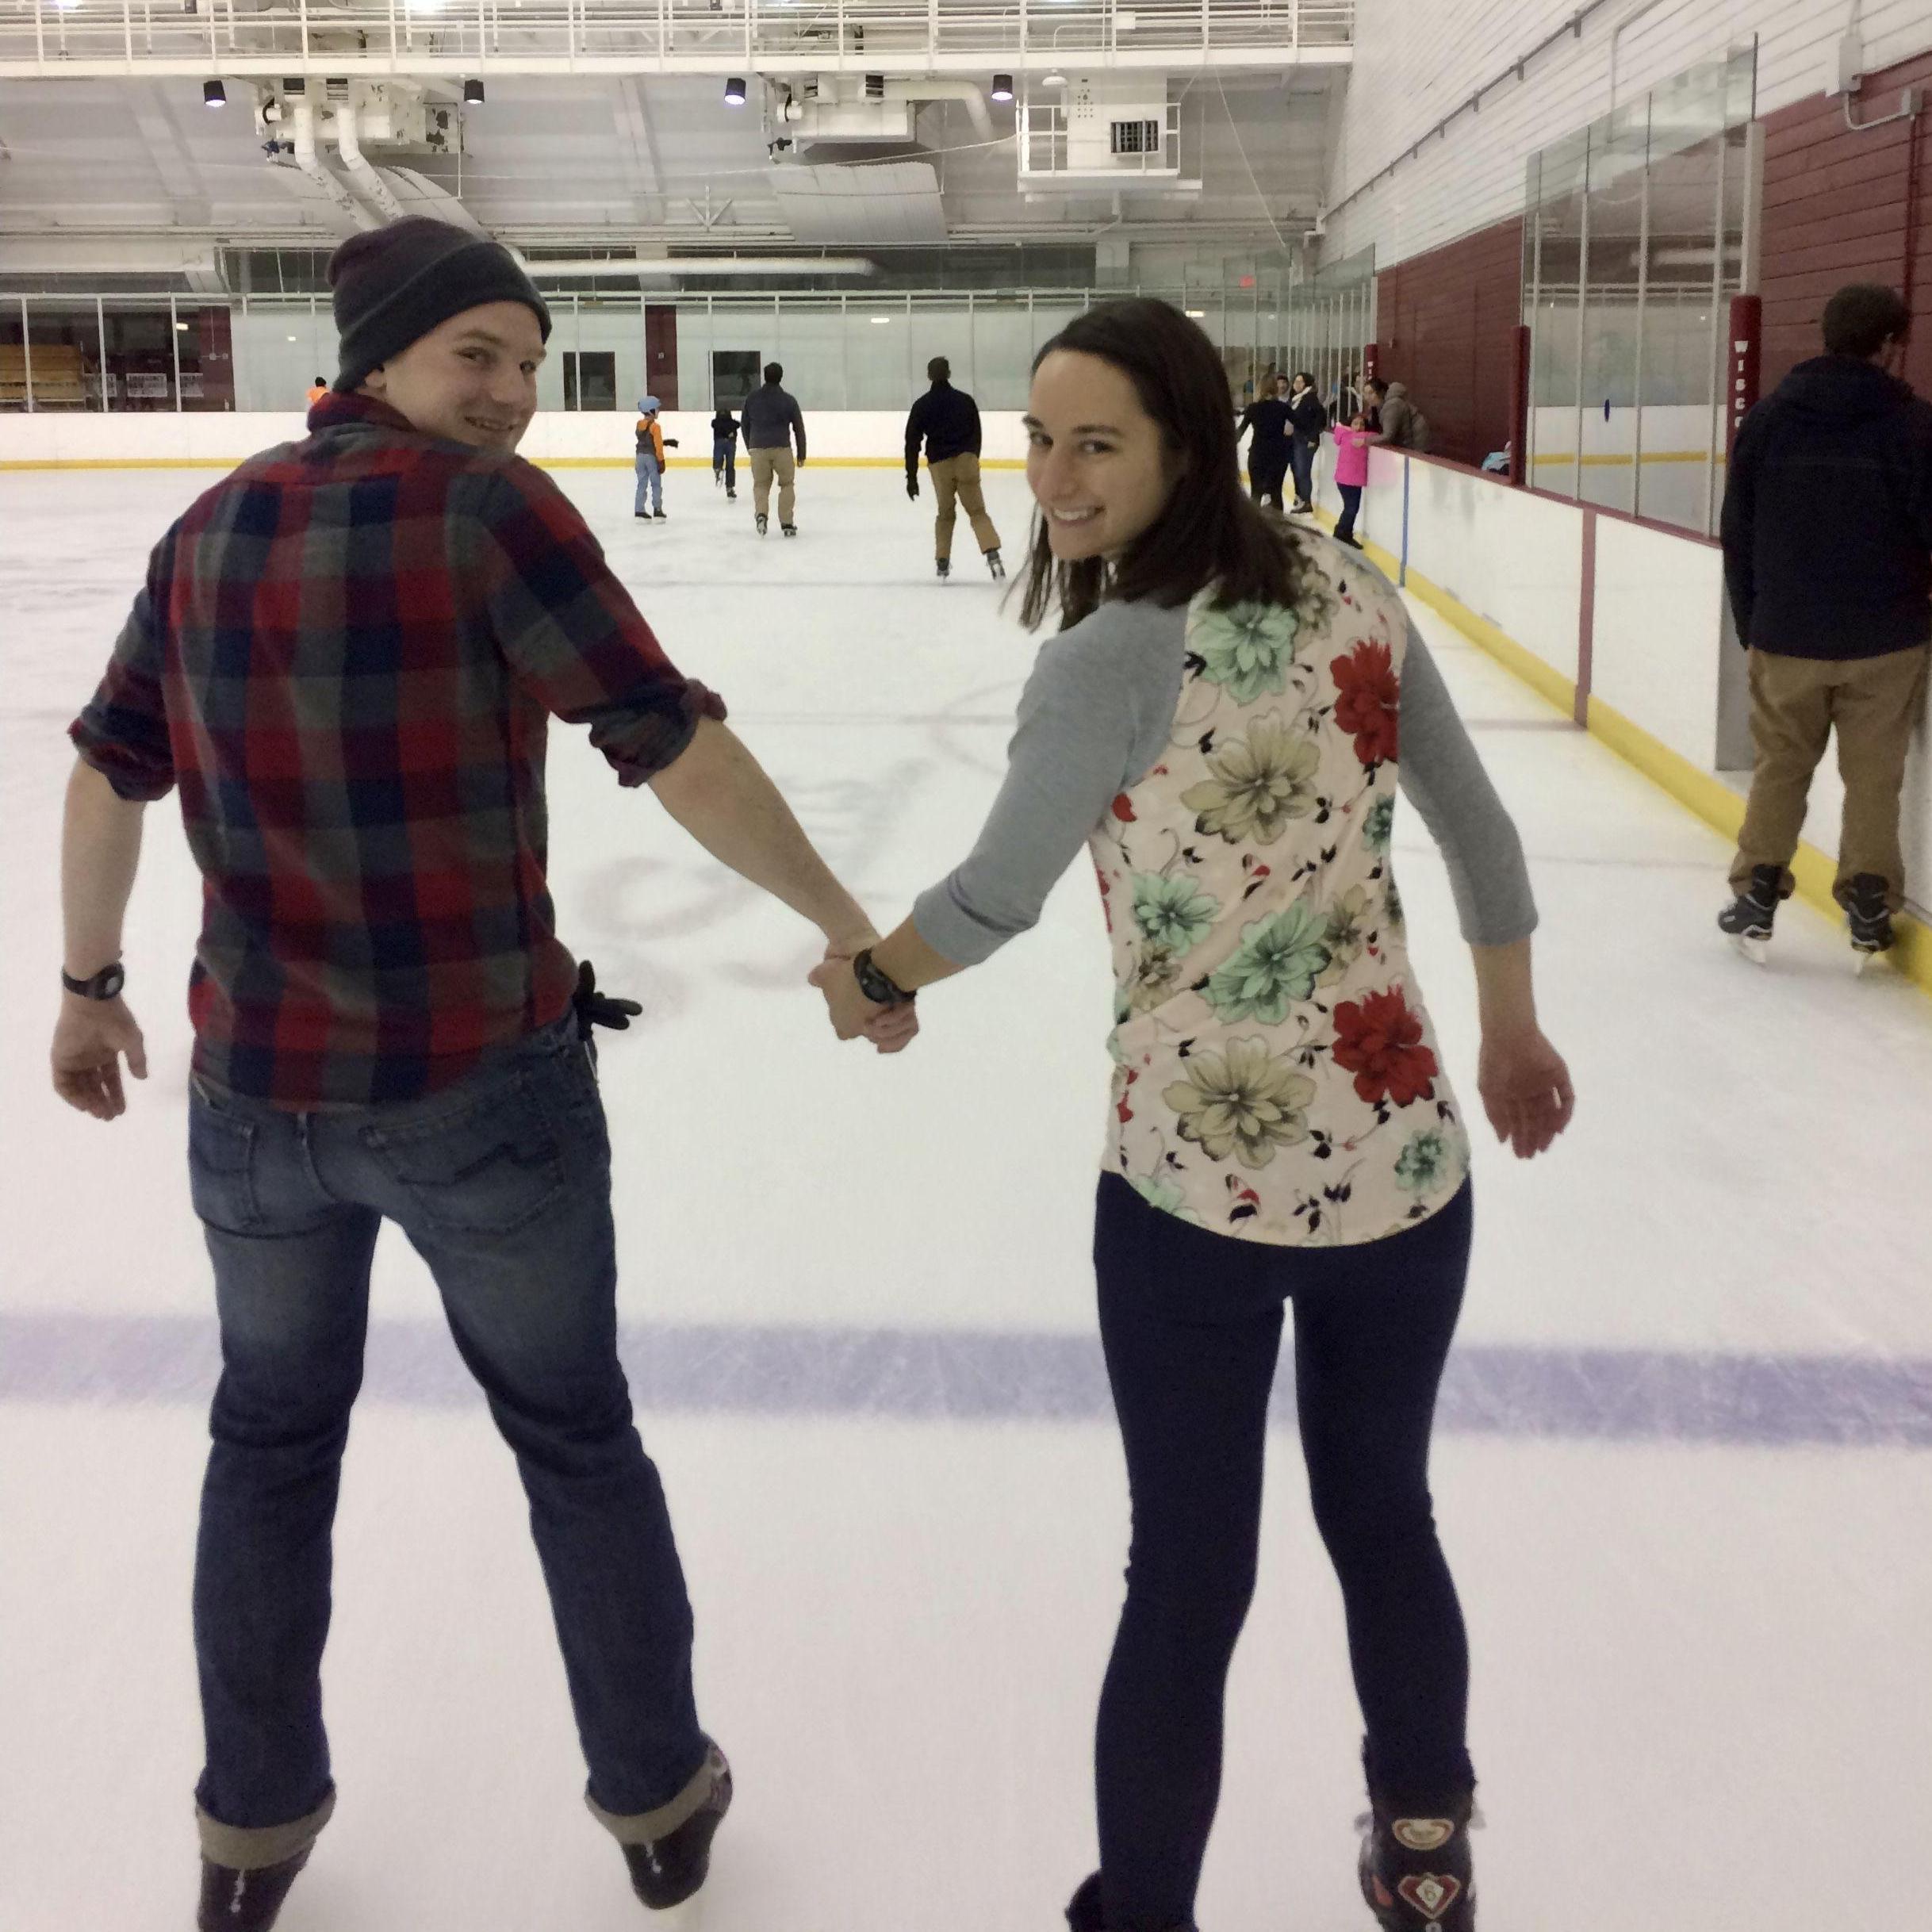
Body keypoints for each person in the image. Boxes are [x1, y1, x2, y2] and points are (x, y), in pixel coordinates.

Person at [52, 215, 913, 1932]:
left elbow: (108, 769)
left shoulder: (208, 527)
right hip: (476, 1094)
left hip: (255, 1110)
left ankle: (251, 1828)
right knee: (576, 1437)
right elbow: (666, 740)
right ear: (381, 356)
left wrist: (88, 987)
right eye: (478, 356)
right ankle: (657, 1795)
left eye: (528, 361)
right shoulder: (484, 512)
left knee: (268, 1447)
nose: (514, 392)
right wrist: (849, 926)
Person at [809, 297, 1574, 1932]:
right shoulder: (1349, 581)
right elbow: (1487, 846)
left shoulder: (1110, 657)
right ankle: (1425, 1847)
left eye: (1097, 445)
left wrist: (874, 976)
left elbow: (994, 898)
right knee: (1386, 1521)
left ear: (1182, 446)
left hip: (1190, 1198)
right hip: (1402, 1168)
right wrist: (1506, 1039)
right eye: (1041, 440)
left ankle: (1146, 1911)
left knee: (1190, 1577)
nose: (1057, 479)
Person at [1718, 281, 1932, 964]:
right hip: (1886, 639)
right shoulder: (1915, 426)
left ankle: (1756, 892)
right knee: (1876, 776)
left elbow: (1738, 533)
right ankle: (1870, 900)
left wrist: (1754, 622)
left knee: (1782, 767)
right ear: (1893, 346)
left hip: (1788, 634)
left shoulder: (1769, 422)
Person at [905, 355, 1006, 582]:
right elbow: (976, 433)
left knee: (945, 514)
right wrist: (973, 457)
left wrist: (911, 477)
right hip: (966, 460)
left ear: (929, 376)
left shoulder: (922, 406)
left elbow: (912, 442)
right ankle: (993, 555)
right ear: (949, 374)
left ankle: (942, 561)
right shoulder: (965, 401)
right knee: (977, 511)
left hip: (940, 465)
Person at [741, 359, 807, 536]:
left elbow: (744, 424)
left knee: (761, 485)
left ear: (765, 376)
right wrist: (802, 454)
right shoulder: (789, 400)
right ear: (781, 377)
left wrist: (751, 446)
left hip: (758, 448)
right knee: (786, 484)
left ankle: (761, 515)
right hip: (782, 448)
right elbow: (798, 428)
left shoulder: (752, 399)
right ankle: (786, 523)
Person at [1235, 371, 1293, 512]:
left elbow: (1240, 432)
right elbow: (1302, 424)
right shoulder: (1283, 408)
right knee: (1276, 492)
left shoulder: (1253, 408)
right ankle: (1280, 528)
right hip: (1277, 456)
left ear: (1260, 388)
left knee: (1256, 493)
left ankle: (1253, 529)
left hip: (1258, 454)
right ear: (1275, 388)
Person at [1285, 370, 1327, 516]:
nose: (1297, 384)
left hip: (1306, 440)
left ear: (1307, 383)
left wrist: (1313, 437)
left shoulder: (1309, 398)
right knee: (1298, 470)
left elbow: (1320, 417)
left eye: (1300, 381)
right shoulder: (1297, 398)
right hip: (1297, 439)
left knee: (1303, 471)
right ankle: (1301, 498)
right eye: (1296, 381)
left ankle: (1306, 501)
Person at [634, 395, 679, 520]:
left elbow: (646, 440)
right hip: (651, 458)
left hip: (639, 457)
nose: (658, 412)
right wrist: (661, 461)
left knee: (641, 484)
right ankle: (657, 509)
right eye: (657, 409)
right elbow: (657, 445)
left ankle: (639, 510)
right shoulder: (655, 427)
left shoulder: (639, 424)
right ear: (651, 411)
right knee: (656, 484)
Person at [1332, 408, 1372, 548]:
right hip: (1350, 480)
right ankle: (1342, 533)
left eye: (1362, 424)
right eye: (1356, 424)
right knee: (1351, 508)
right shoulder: (1359, 437)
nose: (1359, 427)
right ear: (1350, 425)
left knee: (1350, 508)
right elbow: (1376, 436)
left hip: (1345, 479)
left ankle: (1344, 532)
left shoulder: (1343, 435)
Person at [1367, 375, 1429, 453]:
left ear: (1381, 392)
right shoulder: (1378, 407)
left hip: (1417, 441)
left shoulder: (1393, 405)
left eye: (1371, 393)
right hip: (1409, 440)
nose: (1367, 397)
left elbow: (1388, 436)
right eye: (1365, 394)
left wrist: (1366, 441)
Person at [711, 401, 740, 499]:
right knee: (730, 465)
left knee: (718, 459)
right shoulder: (733, 423)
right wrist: (730, 434)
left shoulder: (715, 423)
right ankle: (730, 487)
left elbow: (714, 424)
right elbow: (737, 424)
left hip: (720, 442)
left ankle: (718, 469)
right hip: (730, 443)